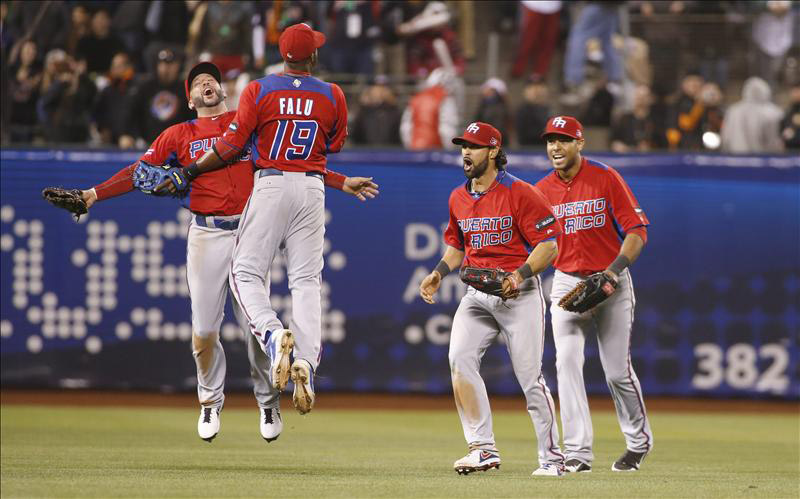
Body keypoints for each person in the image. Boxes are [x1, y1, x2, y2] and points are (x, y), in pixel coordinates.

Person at [73, 61, 377, 441]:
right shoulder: (178, 134)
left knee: (255, 328)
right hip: (207, 232)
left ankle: (268, 402)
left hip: (251, 229)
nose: (206, 83)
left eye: (211, 79)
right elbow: (138, 172)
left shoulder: (245, 122)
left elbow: (287, 161)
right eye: (198, 81)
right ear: (189, 99)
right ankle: (210, 400)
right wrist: (93, 195)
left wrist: (339, 181)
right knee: (204, 330)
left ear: (222, 90)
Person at [156, 23, 362, 416]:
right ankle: (306, 362)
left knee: (244, 273)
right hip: (313, 186)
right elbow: (334, 143)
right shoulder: (333, 93)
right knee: (306, 281)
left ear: (283, 55)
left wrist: (191, 170)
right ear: (313, 56)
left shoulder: (259, 89)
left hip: (270, 183)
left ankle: (270, 333)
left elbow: (233, 144)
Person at [418, 122, 566, 477]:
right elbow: (457, 246)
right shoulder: (458, 197)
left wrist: (520, 275)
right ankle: (481, 448)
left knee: (530, 379)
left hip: (519, 296)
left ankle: (553, 459)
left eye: (474, 146)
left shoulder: (521, 192)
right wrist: (438, 272)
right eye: (463, 146)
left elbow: (548, 245)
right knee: (459, 360)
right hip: (477, 296)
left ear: (494, 151)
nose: (466, 153)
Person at [535, 116, 653, 473]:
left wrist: (613, 271)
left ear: (580, 143)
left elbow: (637, 232)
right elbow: (534, 244)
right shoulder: (540, 190)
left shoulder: (605, 177)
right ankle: (578, 453)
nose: (556, 146)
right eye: (551, 140)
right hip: (567, 283)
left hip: (611, 281)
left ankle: (638, 442)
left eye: (564, 139)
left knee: (617, 371)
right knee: (566, 362)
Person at [720, 76, 784, 154]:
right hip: (763, 158)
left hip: (736, 157)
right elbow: (773, 141)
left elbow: (725, 138)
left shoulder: (733, 111)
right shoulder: (772, 112)